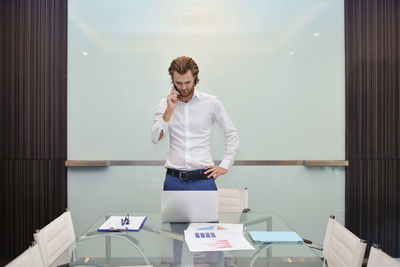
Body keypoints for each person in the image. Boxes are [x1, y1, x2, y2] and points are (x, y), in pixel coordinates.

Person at [151, 56, 239, 190]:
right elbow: (155, 139)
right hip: (174, 180)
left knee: (207, 212)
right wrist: (169, 110)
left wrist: (224, 165)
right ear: (173, 81)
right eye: (178, 83)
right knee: (173, 213)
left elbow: (231, 133)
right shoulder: (164, 105)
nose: (184, 87)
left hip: (203, 179)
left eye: (188, 82)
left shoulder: (211, 102)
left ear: (195, 79)